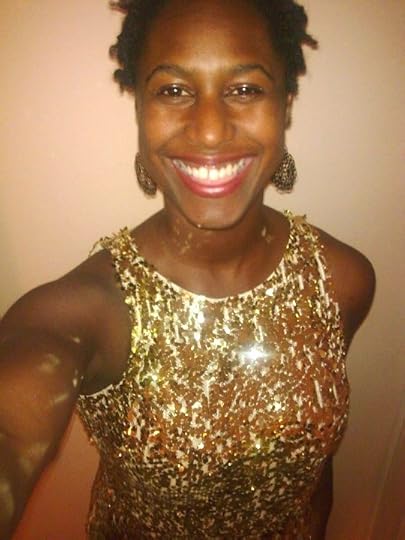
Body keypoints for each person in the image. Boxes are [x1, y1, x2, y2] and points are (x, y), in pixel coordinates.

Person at [0, 0, 375, 538]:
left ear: (286, 105)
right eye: (174, 90)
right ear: (139, 109)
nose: (209, 131)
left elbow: (314, 469)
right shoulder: (87, 313)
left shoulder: (343, 280)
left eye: (244, 88)